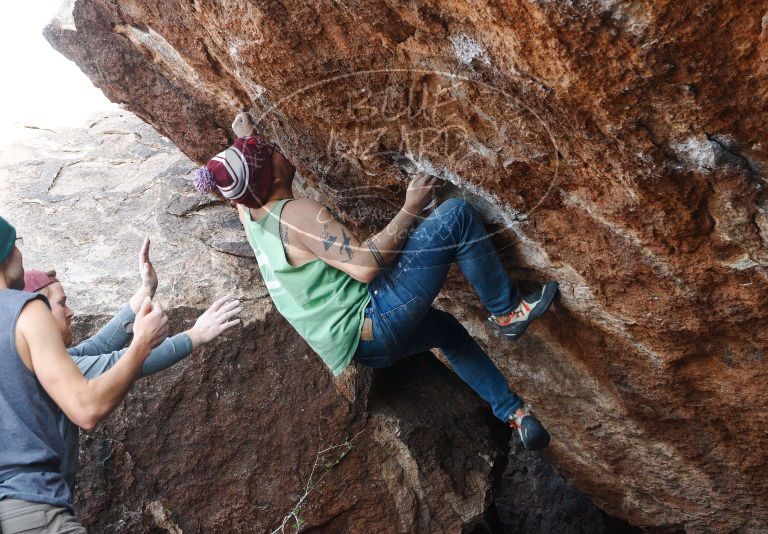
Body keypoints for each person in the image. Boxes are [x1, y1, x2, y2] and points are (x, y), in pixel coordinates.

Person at [194, 112, 559, 450]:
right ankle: (507, 311)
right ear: (271, 177)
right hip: (375, 319)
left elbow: (242, 195)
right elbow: (366, 266)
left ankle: (514, 413)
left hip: (363, 349)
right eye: (270, 151)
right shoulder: (297, 214)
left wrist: (247, 138)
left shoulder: (253, 218)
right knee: (456, 217)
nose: (278, 149)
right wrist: (410, 206)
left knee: (447, 332)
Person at [23, 237, 241, 492]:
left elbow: (97, 346)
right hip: (39, 505)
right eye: (61, 304)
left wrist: (145, 290)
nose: (71, 311)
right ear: (36, 315)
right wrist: (196, 334)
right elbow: (121, 362)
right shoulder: (43, 367)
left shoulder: (37, 357)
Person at [0, 216, 168, 533]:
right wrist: (144, 343)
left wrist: (145, 290)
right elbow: (86, 408)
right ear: (6, 255)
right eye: (16, 244)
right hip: (29, 507)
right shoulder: (23, 310)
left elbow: (97, 346)